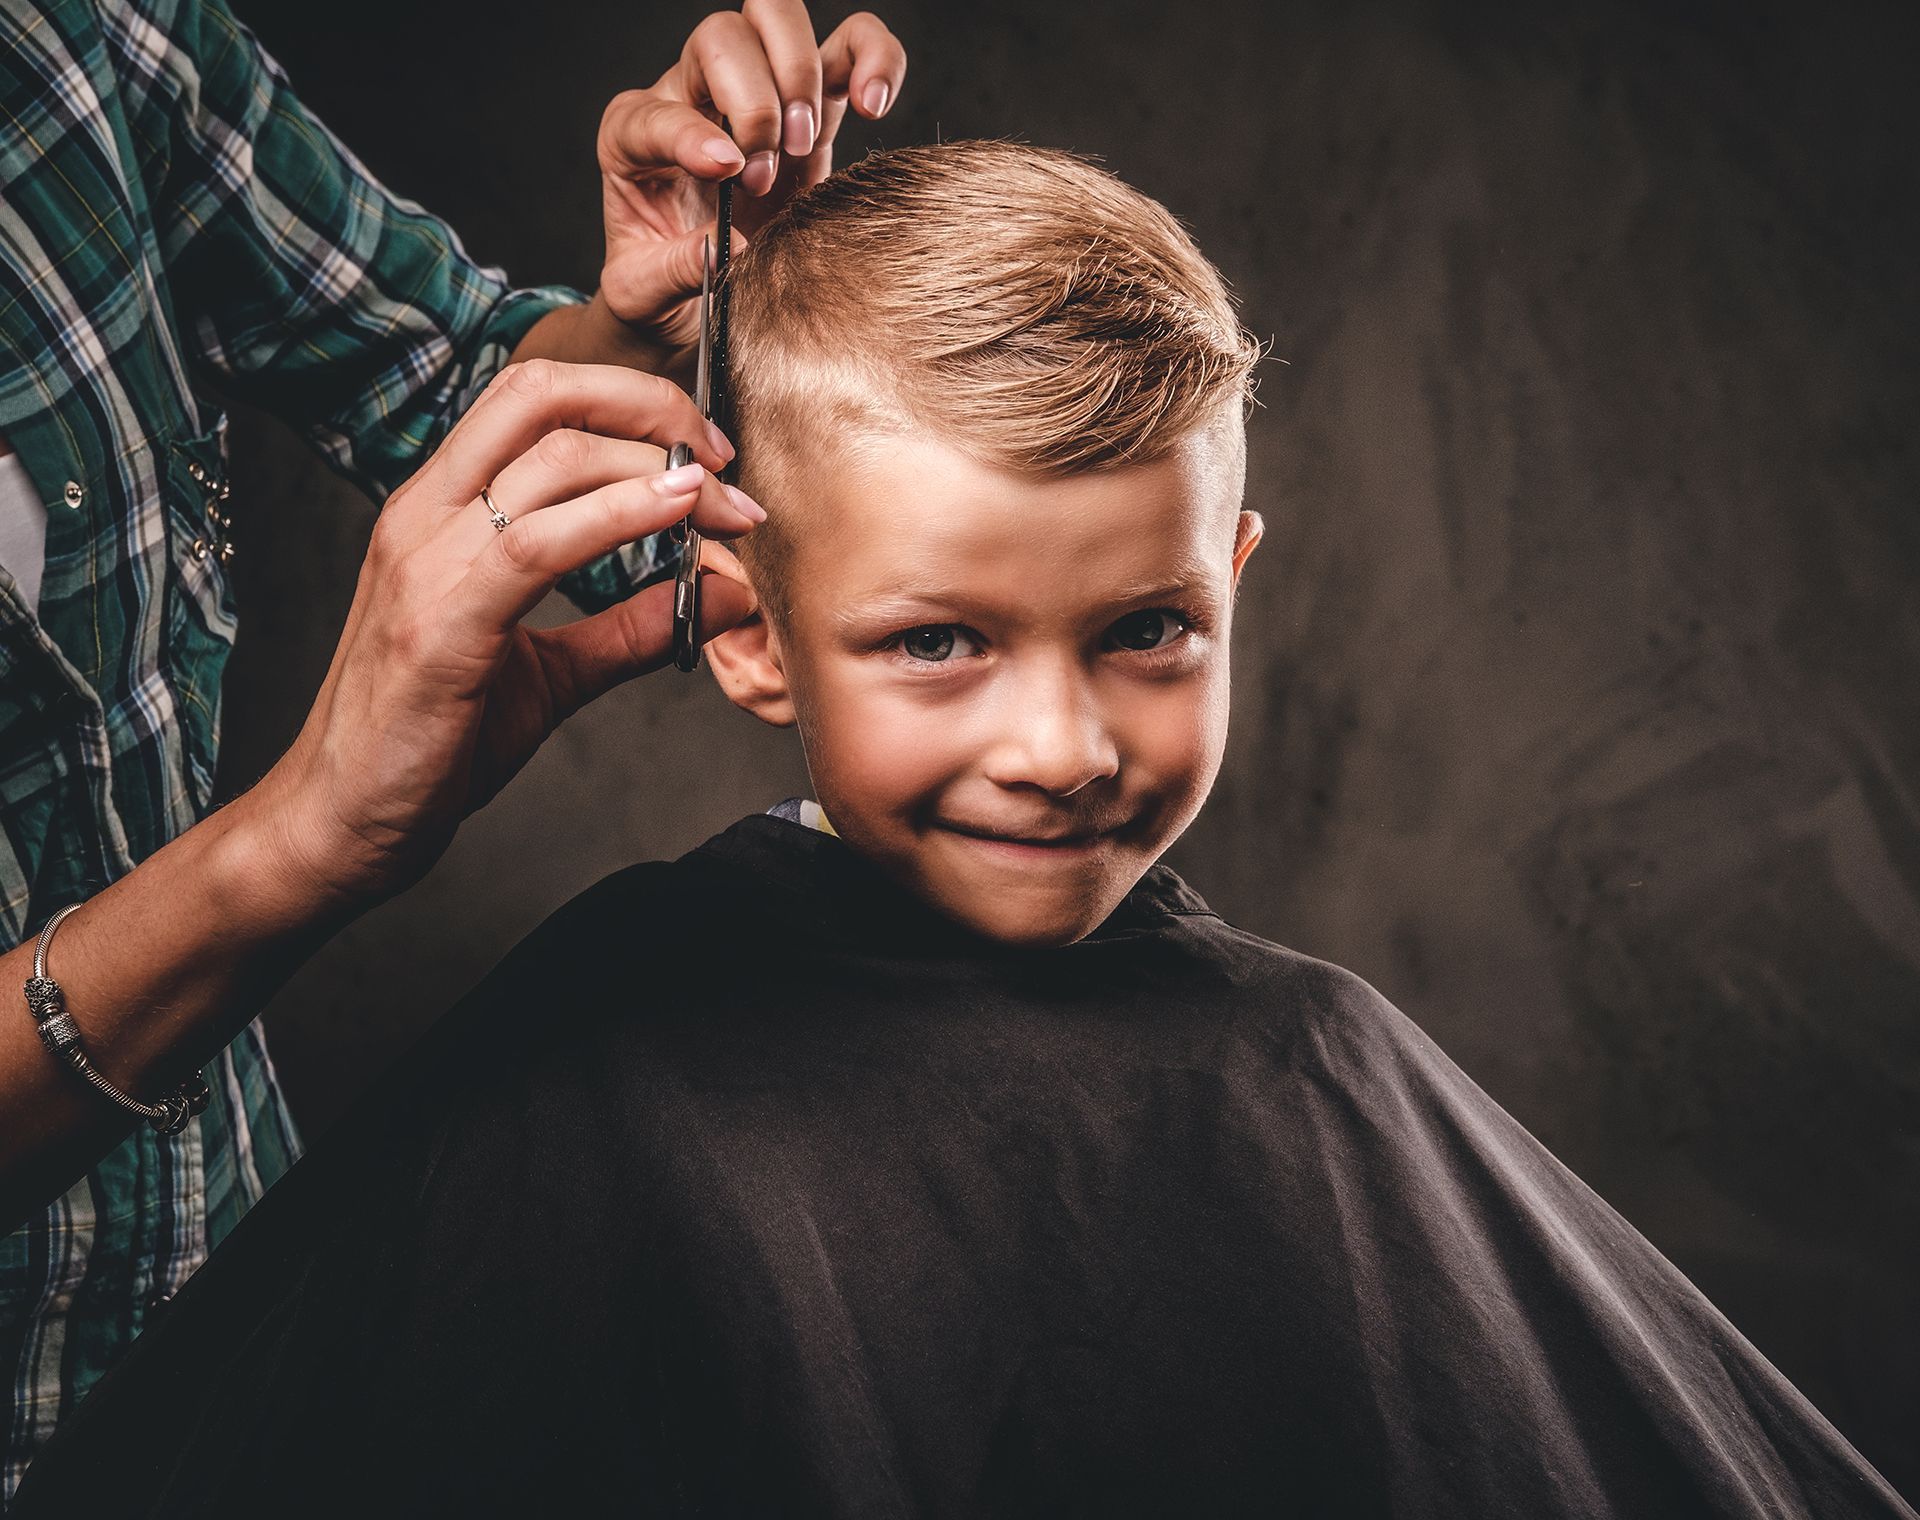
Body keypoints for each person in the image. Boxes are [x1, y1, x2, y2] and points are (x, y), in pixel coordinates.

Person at [14, 142, 1915, 1518]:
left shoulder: (1319, 1062)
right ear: (743, 632)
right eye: (938, 641)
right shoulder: (605, 1085)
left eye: (1148, 631)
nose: (1065, 745)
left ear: (1234, 583)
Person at [0, 0, 905, 1497]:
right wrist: (293, 843)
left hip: (222, 1306)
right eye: (939, 639)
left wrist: (659, 318)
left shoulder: (83, 37)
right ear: (754, 652)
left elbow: (453, 388)